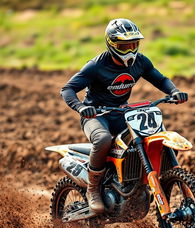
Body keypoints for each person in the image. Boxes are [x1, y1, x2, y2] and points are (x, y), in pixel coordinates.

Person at [61, 18, 188, 214]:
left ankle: (140, 183)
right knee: (103, 139)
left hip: (121, 112)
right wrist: (80, 107)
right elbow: (68, 89)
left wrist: (174, 91)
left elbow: (160, 79)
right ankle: (93, 189)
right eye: (124, 45)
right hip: (95, 115)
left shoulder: (141, 62)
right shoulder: (96, 65)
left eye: (134, 44)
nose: (130, 50)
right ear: (112, 44)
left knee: (150, 136)